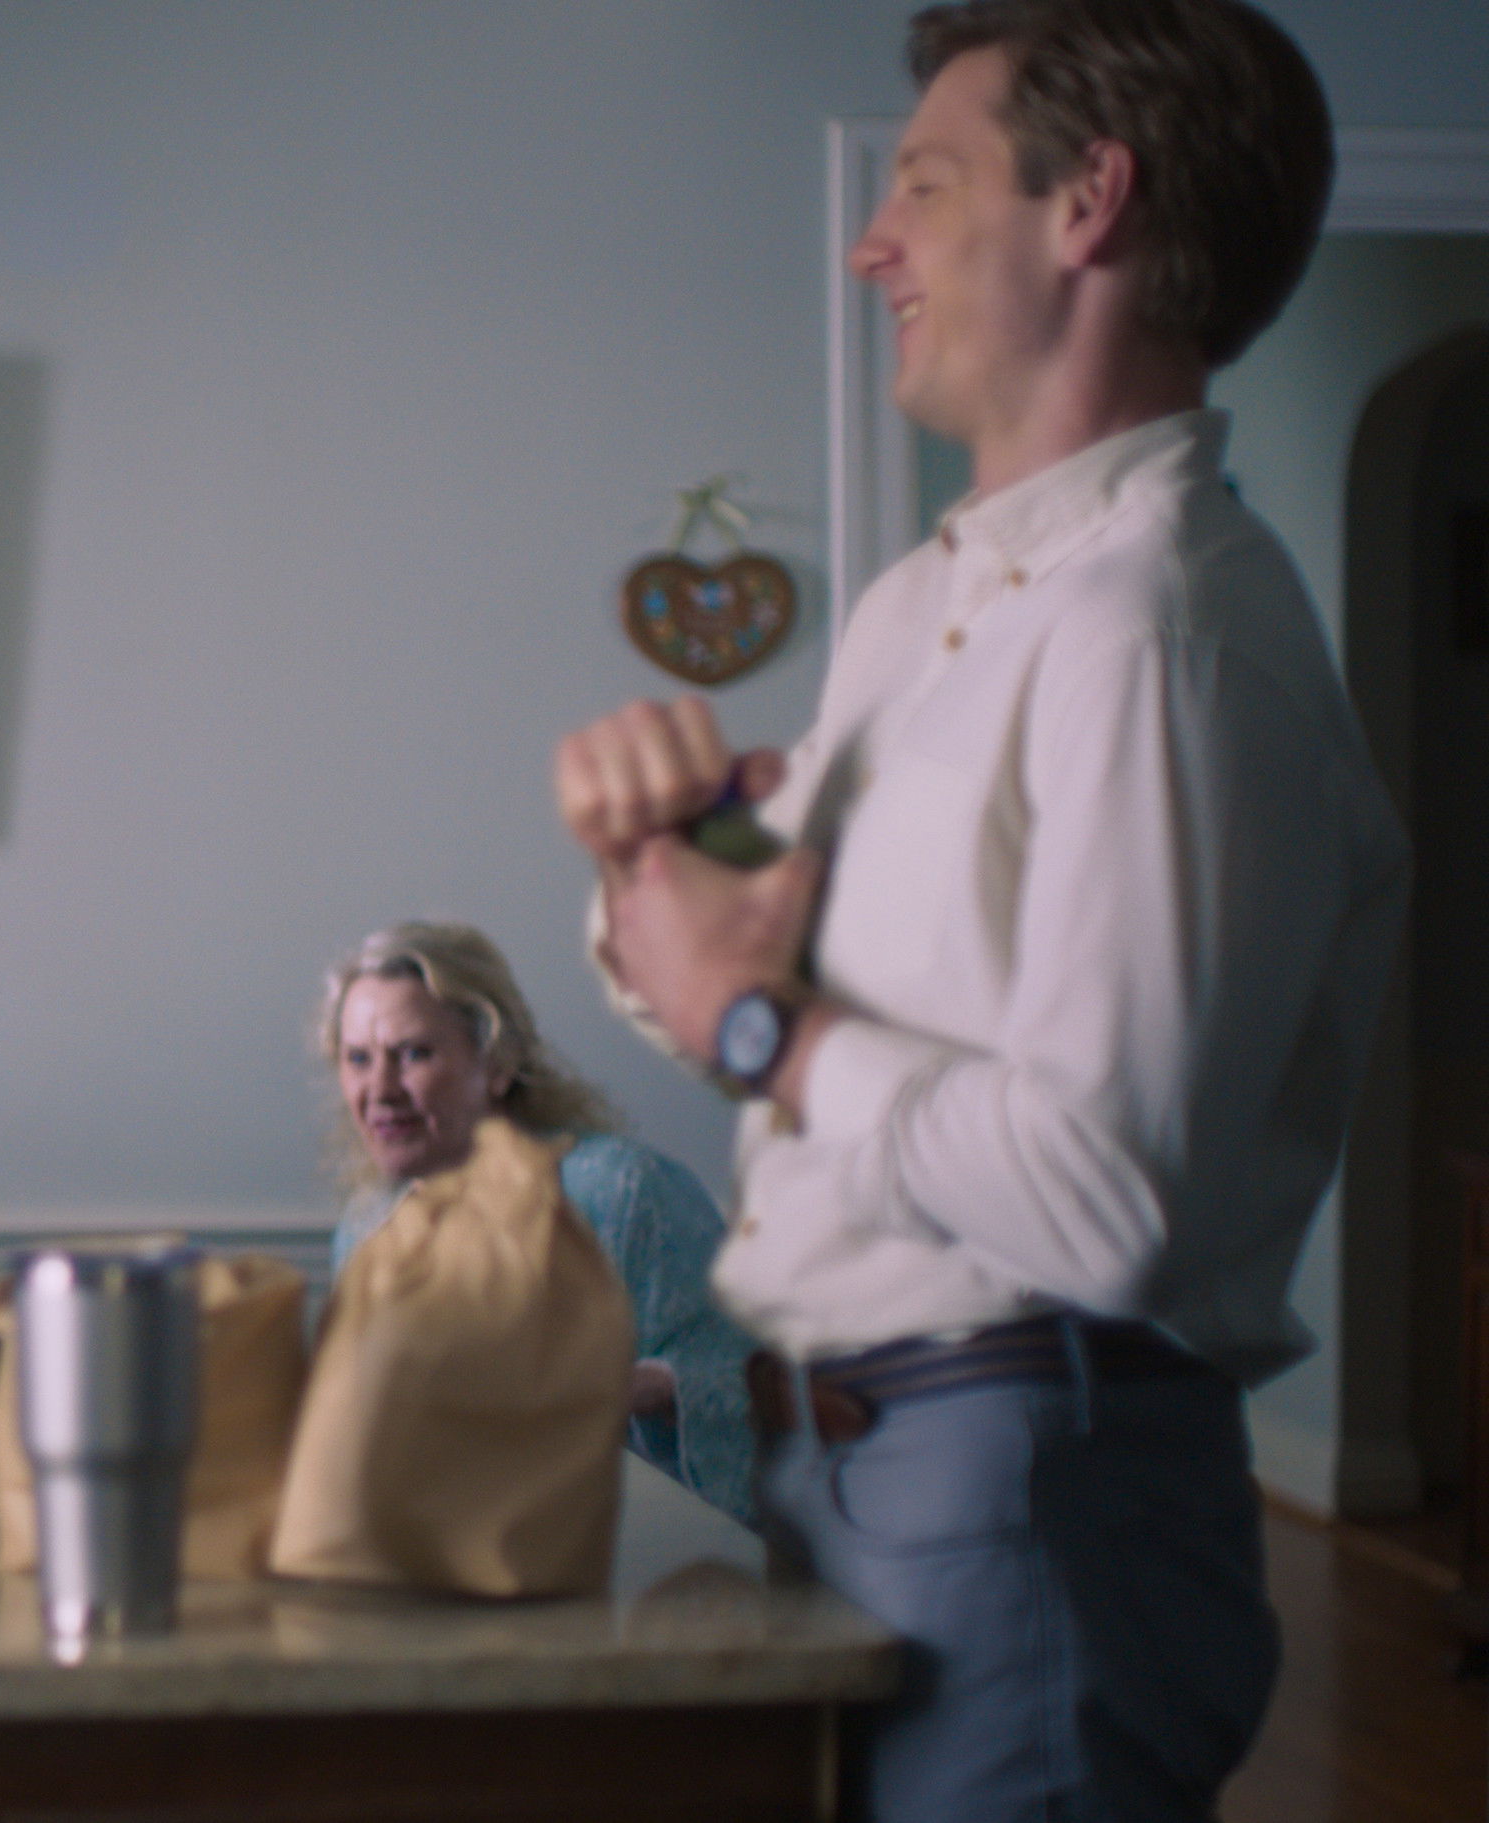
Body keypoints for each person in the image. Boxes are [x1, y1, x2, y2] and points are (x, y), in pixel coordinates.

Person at [554, 3, 1405, 1817]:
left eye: (925, 185)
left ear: (1090, 202)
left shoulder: (1161, 636)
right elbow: (768, 971)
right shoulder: (913, 613)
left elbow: (1109, 1204)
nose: (873, 243)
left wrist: (757, 1022)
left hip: (1028, 1488)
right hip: (851, 1463)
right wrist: (669, 867)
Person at [320, 922, 755, 1523]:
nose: (380, 1090)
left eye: (414, 1053)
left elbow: (754, 1379)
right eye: (358, 1059)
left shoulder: (623, 1191)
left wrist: (630, 1388)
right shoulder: (366, 1227)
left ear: (497, 1063)